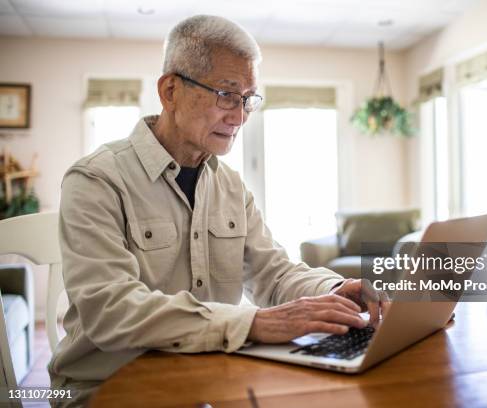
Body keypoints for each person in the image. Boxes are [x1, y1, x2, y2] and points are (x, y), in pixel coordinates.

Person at [49, 15, 387, 407]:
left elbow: (272, 273)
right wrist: (254, 323)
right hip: (106, 391)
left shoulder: (230, 185)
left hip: (202, 381)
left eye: (248, 100)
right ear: (171, 90)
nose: (239, 116)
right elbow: (111, 310)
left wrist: (333, 290)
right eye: (226, 95)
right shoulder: (95, 180)